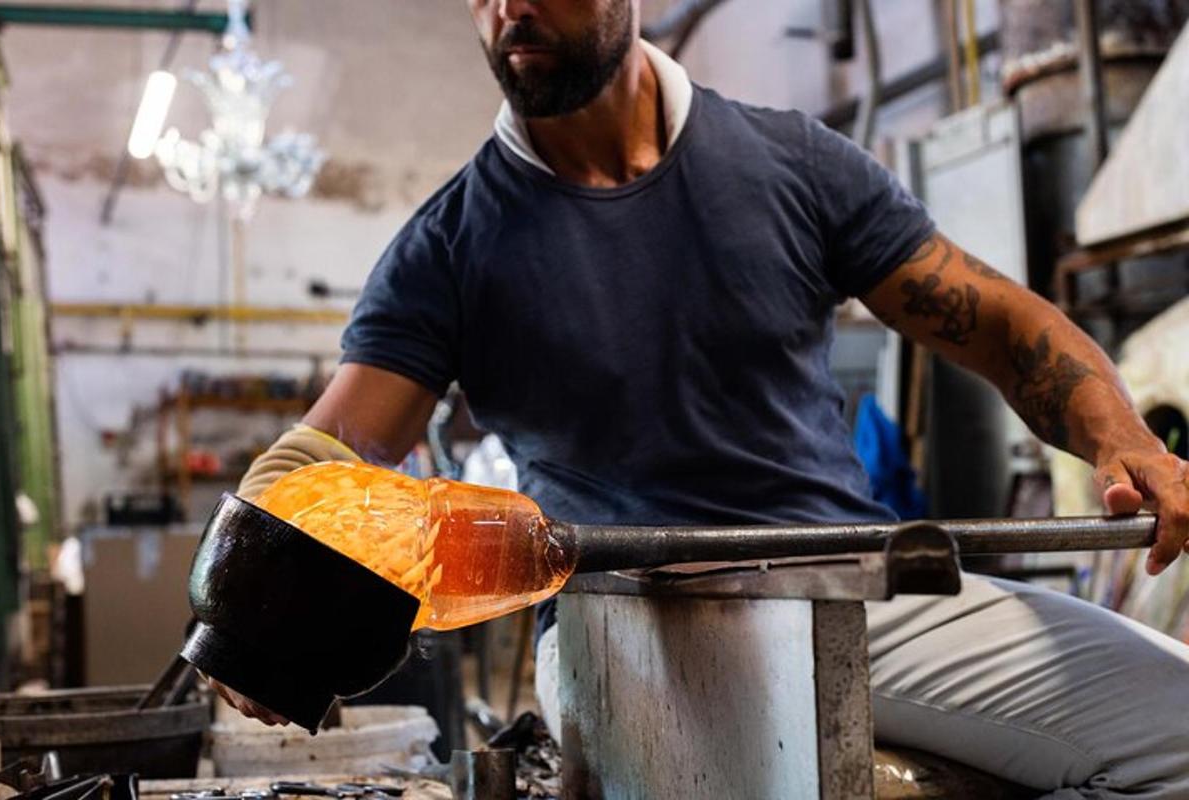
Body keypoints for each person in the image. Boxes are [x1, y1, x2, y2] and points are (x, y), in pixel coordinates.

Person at [210, 1, 1189, 795]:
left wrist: (1124, 440)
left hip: (842, 586)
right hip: (619, 623)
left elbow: (1007, 326)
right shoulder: (450, 246)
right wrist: (249, 607)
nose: (509, 10)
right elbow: (327, 458)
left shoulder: (795, 165)